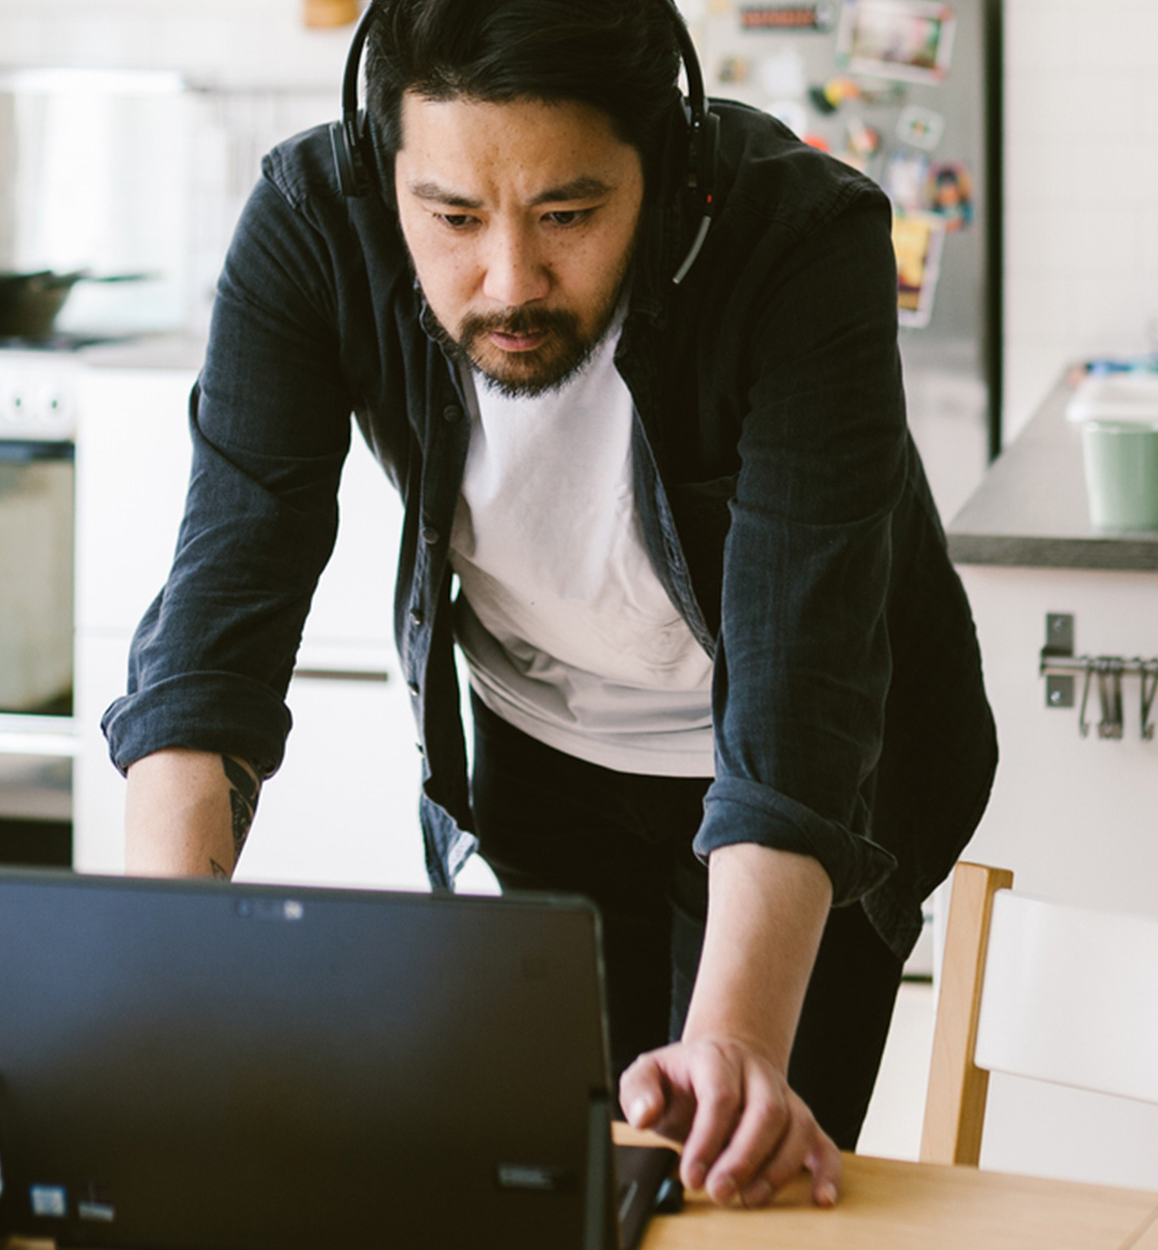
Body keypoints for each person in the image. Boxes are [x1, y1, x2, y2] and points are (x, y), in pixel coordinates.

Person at [99, 0, 997, 1213]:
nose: (510, 279)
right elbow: (214, 635)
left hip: (816, 788)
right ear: (386, 173)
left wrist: (730, 1049)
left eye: (569, 214)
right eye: (454, 218)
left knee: (732, 1178)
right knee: (559, 1184)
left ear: (664, 170)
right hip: (546, 751)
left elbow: (804, 683)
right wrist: (162, 986)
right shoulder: (316, 227)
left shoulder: (799, 241)